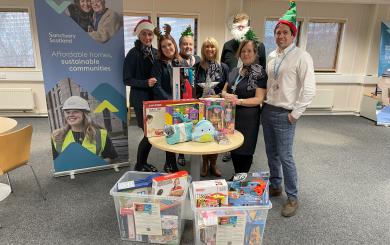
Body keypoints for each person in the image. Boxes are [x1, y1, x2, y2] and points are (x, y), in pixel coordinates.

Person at [262, 1, 315, 217]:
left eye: (285, 32)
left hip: (285, 114)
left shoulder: (302, 56)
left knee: (286, 156)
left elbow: (309, 89)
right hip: (268, 110)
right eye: (277, 32)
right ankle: (276, 185)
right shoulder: (272, 56)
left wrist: (295, 115)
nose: (281, 36)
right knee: (271, 153)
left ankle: (292, 198)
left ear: (293, 35)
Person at [221, 12, 267, 163]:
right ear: (239, 54)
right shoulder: (234, 70)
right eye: (243, 51)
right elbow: (225, 88)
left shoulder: (258, 72)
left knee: (246, 150)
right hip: (231, 115)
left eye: (249, 51)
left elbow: (259, 98)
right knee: (234, 146)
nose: (246, 54)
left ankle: (240, 179)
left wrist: (238, 101)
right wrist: (224, 95)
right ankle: (237, 178)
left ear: (255, 53)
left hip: (248, 116)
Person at [123, 19, 158, 172]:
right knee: (149, 134)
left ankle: (142, 163)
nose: (147, 38)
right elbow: (126, 79)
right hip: (140, 100)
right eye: (144, 34)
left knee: (153, 133)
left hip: (155, 100)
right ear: (138, 35)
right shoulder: (133, 54)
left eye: (150, 34)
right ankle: (139, 164)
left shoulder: (156, 53)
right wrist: (145, 83)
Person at [152, 24, 187, 173]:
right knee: (170, 132)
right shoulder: (157, 64)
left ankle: (181, 155)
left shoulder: (181, 61)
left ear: (174, 44)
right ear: (160, 49)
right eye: (164, 46)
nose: (167, 48)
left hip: (182, 102)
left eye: (169, 44)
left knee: (183, 129)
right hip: (167, 103)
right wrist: (169, 102)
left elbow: (186, 82)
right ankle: (170, 162)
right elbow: (157, 86)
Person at [194, 37, 229, 177]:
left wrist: (218, 96)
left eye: (212, 46)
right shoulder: (196, 67)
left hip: (217, 108)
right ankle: (204, 164)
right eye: (207, 46)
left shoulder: (223, 67)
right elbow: (193, 87)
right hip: (201, 107)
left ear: (216, 49)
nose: (210, 49)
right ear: (203, 49)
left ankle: (214, 164)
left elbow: (228, 87)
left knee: (216, 135)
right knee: (203, 134)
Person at [51, 96, 118, 163]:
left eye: (75, 111)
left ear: (84, 114)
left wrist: (96, 163)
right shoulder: (57, 136)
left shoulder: (100, 134)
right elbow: (55, 163)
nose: (71, 115)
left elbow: (112, 158)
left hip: (96, 173)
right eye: (68, 112)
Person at [176, 26, 200, 166]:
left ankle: (193, 150)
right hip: (180, 99)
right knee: (180, 126)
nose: (188, 46)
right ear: (179, 46)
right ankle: (181, 153)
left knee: (193, 125)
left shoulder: (196, 59)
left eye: (190, 44)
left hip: (194, 98)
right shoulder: (176, 60)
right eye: (185, 44)